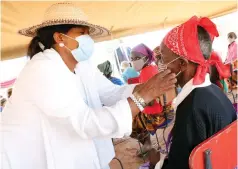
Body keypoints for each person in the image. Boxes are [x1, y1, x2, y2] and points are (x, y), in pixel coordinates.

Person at [0, 2, 177, 169]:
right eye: (82, 33)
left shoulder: (82, 66)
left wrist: (150, 88)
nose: (88, 39)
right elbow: (85, 123)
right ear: (60, 37)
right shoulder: (42, 69)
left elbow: (112, 93)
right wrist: (142, 97)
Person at [153, 16, 237, 169]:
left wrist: (156, 164)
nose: (161, 65)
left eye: (163, 59)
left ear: (182, 64)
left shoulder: (191, 108)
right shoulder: (214, 91)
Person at [130, 43, 175, 156]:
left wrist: (135, 100)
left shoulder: (146, 72)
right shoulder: (152, 68)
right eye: (132, 59)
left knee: (129, 120)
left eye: (137, 58)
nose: (134, 61)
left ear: (146, 58)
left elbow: (148, 100)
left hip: (157, 116)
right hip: (167, 111)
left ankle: (147, 144)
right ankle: (147, 142)